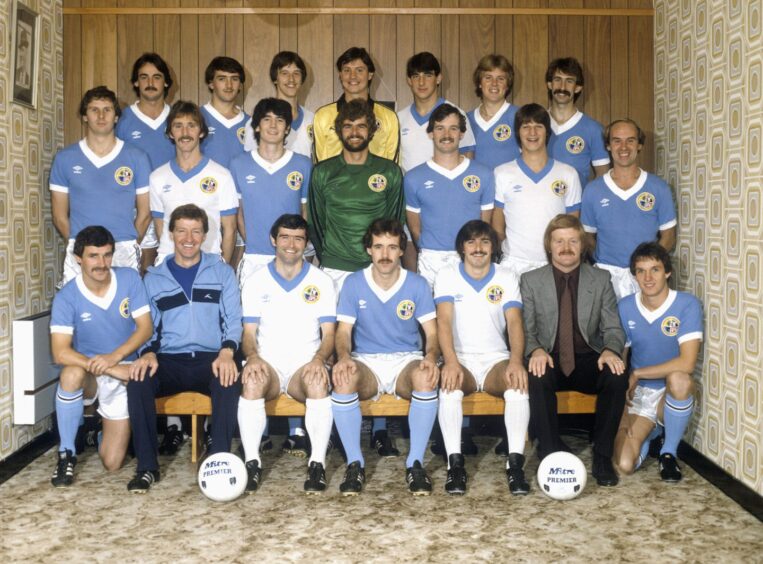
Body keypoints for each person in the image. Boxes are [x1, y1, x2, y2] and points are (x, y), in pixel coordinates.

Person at [126, 204, 242, 493]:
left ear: (204, 235)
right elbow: (147, 327)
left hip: (211, 358)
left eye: (195, 231)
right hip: (169, 360)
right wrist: (148, 352)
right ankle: (147, 468)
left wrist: (227, 352)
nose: (188, 238)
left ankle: (218, 462)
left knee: (228, 379)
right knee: (137, 379)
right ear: (171, 233)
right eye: (181, 231)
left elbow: (234, 320)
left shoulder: (222, 272)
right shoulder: (153, 278)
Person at [333, 219, 439, 496]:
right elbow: (343, 331)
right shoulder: (354, 282)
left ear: (402, 251)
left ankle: (415, 462)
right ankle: (355, 463)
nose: (385, 254)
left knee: (426, 377)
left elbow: (432, 332)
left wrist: (430, 356)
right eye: (378, 246)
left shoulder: (417, 284)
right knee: (344, 378)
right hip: (367, 361)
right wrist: (343, 356)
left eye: (392, 247)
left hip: (405, 359)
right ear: (369, 249)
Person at [520, 214, 627, 486]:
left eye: (572, 241)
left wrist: (611, 350)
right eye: (559, 241)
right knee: (537, 373)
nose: (565, 247)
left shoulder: (601, 279)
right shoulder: (531, 280)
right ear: (549, 246)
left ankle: (602, 456)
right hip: (550, 357)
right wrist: (534, 350)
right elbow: (526, 330)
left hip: (588, 358)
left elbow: (613, 328)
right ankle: (550, 453)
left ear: (582, 245)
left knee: (616, 375)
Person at [237, 214, 336, 494]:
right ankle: (252, 462)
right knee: (252, 380)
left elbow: (329, 335)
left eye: (298, 238)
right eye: (285, 237)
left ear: (306, 243)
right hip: (268, 363)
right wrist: (253, 357)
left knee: (318, 381)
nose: (291, 245)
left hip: (303, 365)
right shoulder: (256, 281)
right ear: (273, 240)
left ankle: (317, 463)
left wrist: (318, 360)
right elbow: (247, 334)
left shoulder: (322, 281)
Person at [49, 226, 153, 487]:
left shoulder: (129, 279)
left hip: (127, 368)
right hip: (92, 372)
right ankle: (66, 454)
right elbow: (60, 352)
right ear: (78, 259)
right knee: (70, 374)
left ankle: (99, 432)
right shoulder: (67, 297)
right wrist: (108, 366)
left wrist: (114, 358)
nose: (101, 263)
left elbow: (145, 328)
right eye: (94, 256)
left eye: (107, 255)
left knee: (112, 463)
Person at [434, 220, 529, 495]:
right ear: (462, 247)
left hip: (494, 359)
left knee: (517, 385)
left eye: (485, 242)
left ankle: (515, 465)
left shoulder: (506, 276)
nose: (478, 248)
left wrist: (515, 360)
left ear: (493, 247)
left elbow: (514, 322)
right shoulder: (447, 274)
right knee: (449, 389)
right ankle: (455, 465)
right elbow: (443, 321)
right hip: (460, 358)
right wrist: (450, 362)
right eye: (471, 242)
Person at [613, 243, 702, 482]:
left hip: (668, 393)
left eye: (655, 269)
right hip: (640, 395)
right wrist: (620, 398)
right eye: (640, 271)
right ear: (634, 276)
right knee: (624, 464)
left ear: (668, 272)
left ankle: (668, 452)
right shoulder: (626, 306)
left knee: (680, 379)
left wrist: (639, 373)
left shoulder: (686, 304)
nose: (648, 277)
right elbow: (619, 359)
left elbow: (687, 363)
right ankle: (654, 433)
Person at [51, 86, 152, 285]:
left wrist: (129, 242)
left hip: (122, 248)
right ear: (85, 116)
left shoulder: (137, 157)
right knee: (78, 312)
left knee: (124, 312)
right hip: (81, 251)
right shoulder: (65, 159)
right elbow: (59, 216)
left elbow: (145, 212)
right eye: (94, 109)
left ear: (116, 116)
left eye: (107, 109)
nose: (101, 115)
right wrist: (81, 246)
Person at [308, 98, 404, 291]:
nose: (354, 133)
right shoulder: (323, 172)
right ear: (338, 131)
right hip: (335, 268)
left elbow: (395, 221)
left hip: (378, 267)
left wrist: (381, 255)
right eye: (348, 126)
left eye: (361, 126)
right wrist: (330, 255)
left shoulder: (389, 171)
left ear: (371, 130)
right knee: (334, 323)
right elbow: (316, 223)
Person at [581, 119, 677, 299]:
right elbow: (587, 238)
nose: (623, 147)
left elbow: (669, 237)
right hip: (606, 278)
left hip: (646, 279)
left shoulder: (659, 188)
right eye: (617, 140)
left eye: (630, 140)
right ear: (608, 146)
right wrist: (605, 261)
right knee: (608, 327)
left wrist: (646, 266)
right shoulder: (593, 190)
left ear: (639, 145)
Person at [405, 104, 494, 288]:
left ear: (461, 134)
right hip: (431, 260)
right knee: (432, 316)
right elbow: (415, 230)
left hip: (469, 257)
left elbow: (485, 224)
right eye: (440, 128)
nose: (447, 135)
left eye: (453, 128)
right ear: (430, 133)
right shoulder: (413, 178)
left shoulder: (483, 174)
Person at [491, 103, 581, 278]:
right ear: (518, 132)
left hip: (555, 264)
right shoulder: (502, 173)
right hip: (513, 264)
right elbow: (498, 226)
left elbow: (572, 225)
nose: (532, 133)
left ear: (547, 132)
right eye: (526, 127)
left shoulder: (568, 174)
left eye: (538, 127)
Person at [148, 100, 239, 265]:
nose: (185, 132)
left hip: (208, 265)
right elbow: (161, 228)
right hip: (169, 265)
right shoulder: (157, 177)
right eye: (178, 126)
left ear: (202, 132)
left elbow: (230, 229)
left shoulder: (222, 176)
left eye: (191, 125)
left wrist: (221, 268)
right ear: (170, 133)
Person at [231, 97, 311, 282]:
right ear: (257, 126)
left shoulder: (303, 164)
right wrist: (254, 243)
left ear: (288, 128)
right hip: (254, 257)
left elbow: (304, 212)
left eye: (280, 120)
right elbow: (238, 213)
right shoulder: (238, 164)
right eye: (267, 119)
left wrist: (294, 247)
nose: (273, 125)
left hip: (292, 257)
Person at [116, 53, 177, 274]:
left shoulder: (178, 118)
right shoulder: (122, 119)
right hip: (134, 209)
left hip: (172, 205)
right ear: (135, 82)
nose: (150, 83)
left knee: (172, 272)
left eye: (157, 77)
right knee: (137, 272)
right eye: (144, 77)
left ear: (166, 82)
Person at [312, 47, 399, 163]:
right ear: (340, 75)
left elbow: (392, 166)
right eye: (347, 70)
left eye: (359, 70)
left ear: (370, 75)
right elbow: (319, 165)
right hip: (335, 181)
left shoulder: (389, 117)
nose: (352, 76)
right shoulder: (322, 116)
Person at [397, 52, 475, 173]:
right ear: (409, 80)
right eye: (416, 76)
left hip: (445, 190)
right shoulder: (399, 118)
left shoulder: (456, 114)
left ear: (438, 78)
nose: (421, 82)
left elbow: (468, 157)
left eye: (428, 75)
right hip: (409, 190)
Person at [545, 57, 610, 189]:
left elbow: (602, 175)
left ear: (578, 88)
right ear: (550, 84)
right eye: (557, 80)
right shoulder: (536, 125)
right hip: (540, 205)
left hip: (576, 208)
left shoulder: (593, 129)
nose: (562, 87)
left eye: (569, 81)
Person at [244, 51, 313, 158]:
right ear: (275, 78)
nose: (291, 79)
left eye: (296, 73)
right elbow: (251, 161)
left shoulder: (312, 119)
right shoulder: (258, 120)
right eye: (284, 73)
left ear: (302, 79)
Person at [467, 54, 521, 170]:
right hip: (477, 186)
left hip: (509, 187)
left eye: (501, 78)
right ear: (480, 83)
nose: (494, 83)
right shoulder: (466, 119)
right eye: (488, 77)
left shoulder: (519, 116)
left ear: (507, 85)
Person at [200, 56, 249, 168]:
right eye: (222, 79)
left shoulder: (251, 123)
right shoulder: (195, 118)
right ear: (211, 83)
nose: (229, 85)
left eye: (234, 79)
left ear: (240, 85)